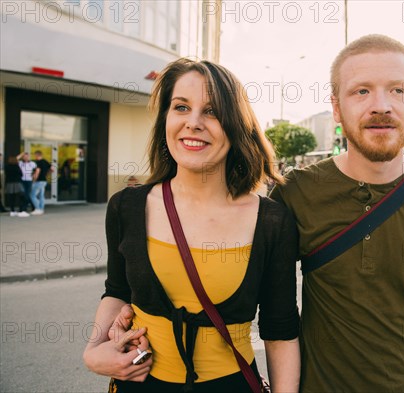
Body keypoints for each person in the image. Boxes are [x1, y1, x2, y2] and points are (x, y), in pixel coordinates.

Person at [269, 35, 404, 392]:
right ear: (336, 108)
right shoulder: (295, 193)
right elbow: (268, 308)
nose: (381, 105)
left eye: (399, 90)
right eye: (361, 91)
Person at [83, 58, 301, 392]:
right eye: (181, 107)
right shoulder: (125, 207)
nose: (193, 122)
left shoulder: (271, 221)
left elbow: (280, 331)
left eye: (212, 111)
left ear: (236, 125)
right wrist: (93, 351)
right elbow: (117, 291)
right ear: (166, 119)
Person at [30, 150, 52, 215]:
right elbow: (52, 169)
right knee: (41, 196)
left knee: (32, 195)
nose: (35, 156)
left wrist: (34, 179)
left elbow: (37, 171)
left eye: (35, 155)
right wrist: (46, 175)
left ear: (37, 155)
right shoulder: (45, 161)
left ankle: (38, 209)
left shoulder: (38, 162)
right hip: (44, 180)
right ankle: (41, 209)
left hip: (39, 181)